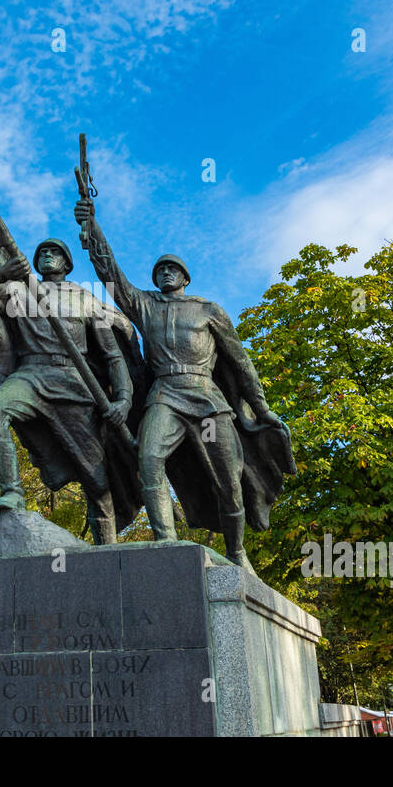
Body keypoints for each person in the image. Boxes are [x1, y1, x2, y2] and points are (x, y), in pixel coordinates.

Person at [73, 198, 294, 572]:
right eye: (160, 270)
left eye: (172, 269)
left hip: (208, 400)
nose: (165, 274)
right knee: (149, 460)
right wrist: (93, 229)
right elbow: (112, 275)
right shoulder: (144, 305)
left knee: (229, 480)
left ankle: (238, 550)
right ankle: (166, 541)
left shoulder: (210, 310)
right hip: (166, 396)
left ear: (186, 277)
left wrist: (262, 408)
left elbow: (241, 363)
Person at [0, 238, 142, 544]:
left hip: (74, 383)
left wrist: (123, 399)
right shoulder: (20, 290)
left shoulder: (85, 298)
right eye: (42, 252)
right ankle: (12, 493)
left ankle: (107, 551)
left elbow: (112, 356)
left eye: (54, 252)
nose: (47, 255)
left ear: (67, 263)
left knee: (97, 483)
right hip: (31, 375)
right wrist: (3, 271)